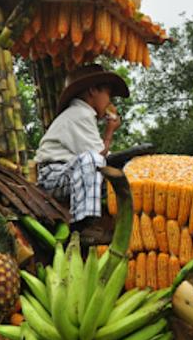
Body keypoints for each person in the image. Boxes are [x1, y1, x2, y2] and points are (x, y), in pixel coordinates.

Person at [35, 64, 128, 228]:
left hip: (68, 173)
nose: (110, 101)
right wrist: (109, 131)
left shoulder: (83, 114)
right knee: (92, 160)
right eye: (107, 94)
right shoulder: (80, 113)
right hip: (54, 176)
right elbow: (99, 156)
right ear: (93, 91)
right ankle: (85, 222)